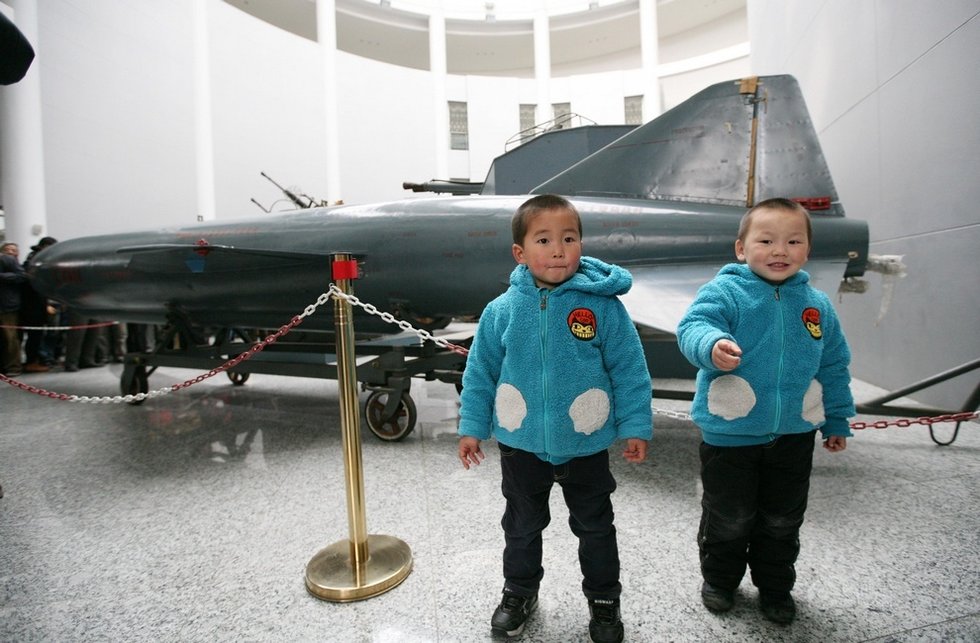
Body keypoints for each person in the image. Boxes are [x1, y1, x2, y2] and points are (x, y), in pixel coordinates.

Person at [457, 194, 653, 643]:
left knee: (596, 527)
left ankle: (604, 600)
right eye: (544, 240)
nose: (559, 249)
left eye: (569, 238)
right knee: (521, 527)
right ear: (520, 254)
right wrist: (472, 427)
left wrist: (635, 425)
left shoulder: (603, 307)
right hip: (520, 443)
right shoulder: (502, 310)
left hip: (585, 442)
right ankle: (519, 591)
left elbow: (629, 368)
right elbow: (481, 374)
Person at [676, 197, 855, 625]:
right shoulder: (725, 291)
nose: (780, 250)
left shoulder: (816, 306)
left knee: (782, 518)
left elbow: (834, 364)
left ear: (806, 250)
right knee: (730, 516)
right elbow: (693, 327)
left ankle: (776, 586)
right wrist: (711, 346)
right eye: (767, 240)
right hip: (730, 433)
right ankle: (720, 579)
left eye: (793, 241)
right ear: (741, 248)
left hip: (793, 435)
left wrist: (837, 418)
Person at [20, 236, 58, 372]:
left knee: (43, 334)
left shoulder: (37, 259)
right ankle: (32, 361)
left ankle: (43, 358)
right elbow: (35, 283)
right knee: (35, 335)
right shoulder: (35, 261)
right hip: (34, 304)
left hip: (39, 303)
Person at [1, 242, 26, 376]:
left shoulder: (7, 260)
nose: (10, 251)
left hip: (7, 306)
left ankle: (14, 367)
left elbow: (22, 276)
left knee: (10, 338)